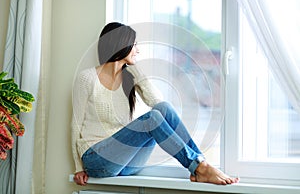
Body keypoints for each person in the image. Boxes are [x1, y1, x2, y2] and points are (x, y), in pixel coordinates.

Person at [71, 22, 239, 186]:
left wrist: (137, 72)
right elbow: (75, 125)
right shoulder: (87, 78)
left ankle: (200, 166)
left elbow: (158, 102)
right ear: (121, 44)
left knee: (163, 110)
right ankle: (201, 168)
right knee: (151, 119)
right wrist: (78, 168)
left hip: (125, 162)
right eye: (134, 44)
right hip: (97, 158)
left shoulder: (129, 77)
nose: (138, 50)